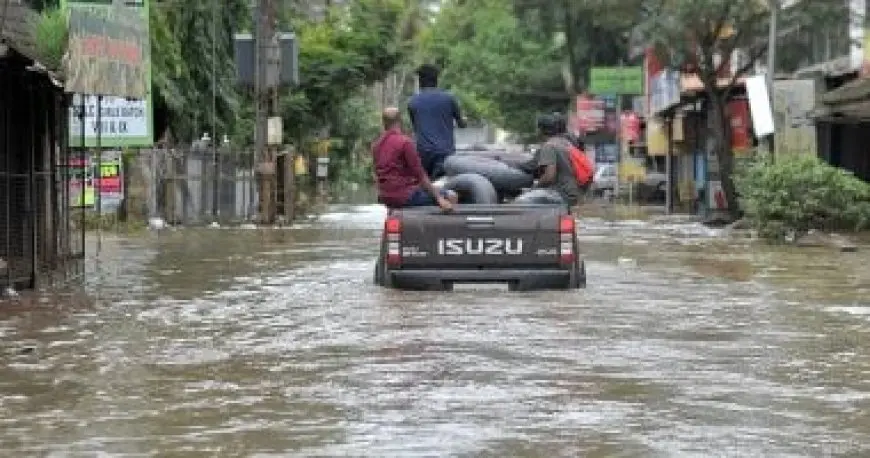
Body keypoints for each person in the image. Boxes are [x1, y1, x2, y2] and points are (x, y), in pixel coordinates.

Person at [372, 107, 457, 211]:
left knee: (430, 190)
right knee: (451, 195)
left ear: (384, 123)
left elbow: (378, 175)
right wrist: (439, 198)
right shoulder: (405, 142)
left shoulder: (376, 145)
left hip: (385, 197)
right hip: (404, 196)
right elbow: (420, 174)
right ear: (400, 121)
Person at [407, 64, 467, 178]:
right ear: (436, 80)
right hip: (445, 153)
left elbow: (416, 128)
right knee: (443, 187)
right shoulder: (449, 99)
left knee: (426, 188)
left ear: (421, 81)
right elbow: (462, 124)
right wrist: (463, 121)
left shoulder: (412, 102)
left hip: (423, 153)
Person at [514, 113, 583, 206]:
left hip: (561, 194)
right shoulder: (565, 143)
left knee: (519, 202)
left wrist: (535, 187)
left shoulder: (549, 146)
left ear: (541, 130)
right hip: (573, 193)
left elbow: (549, 176)